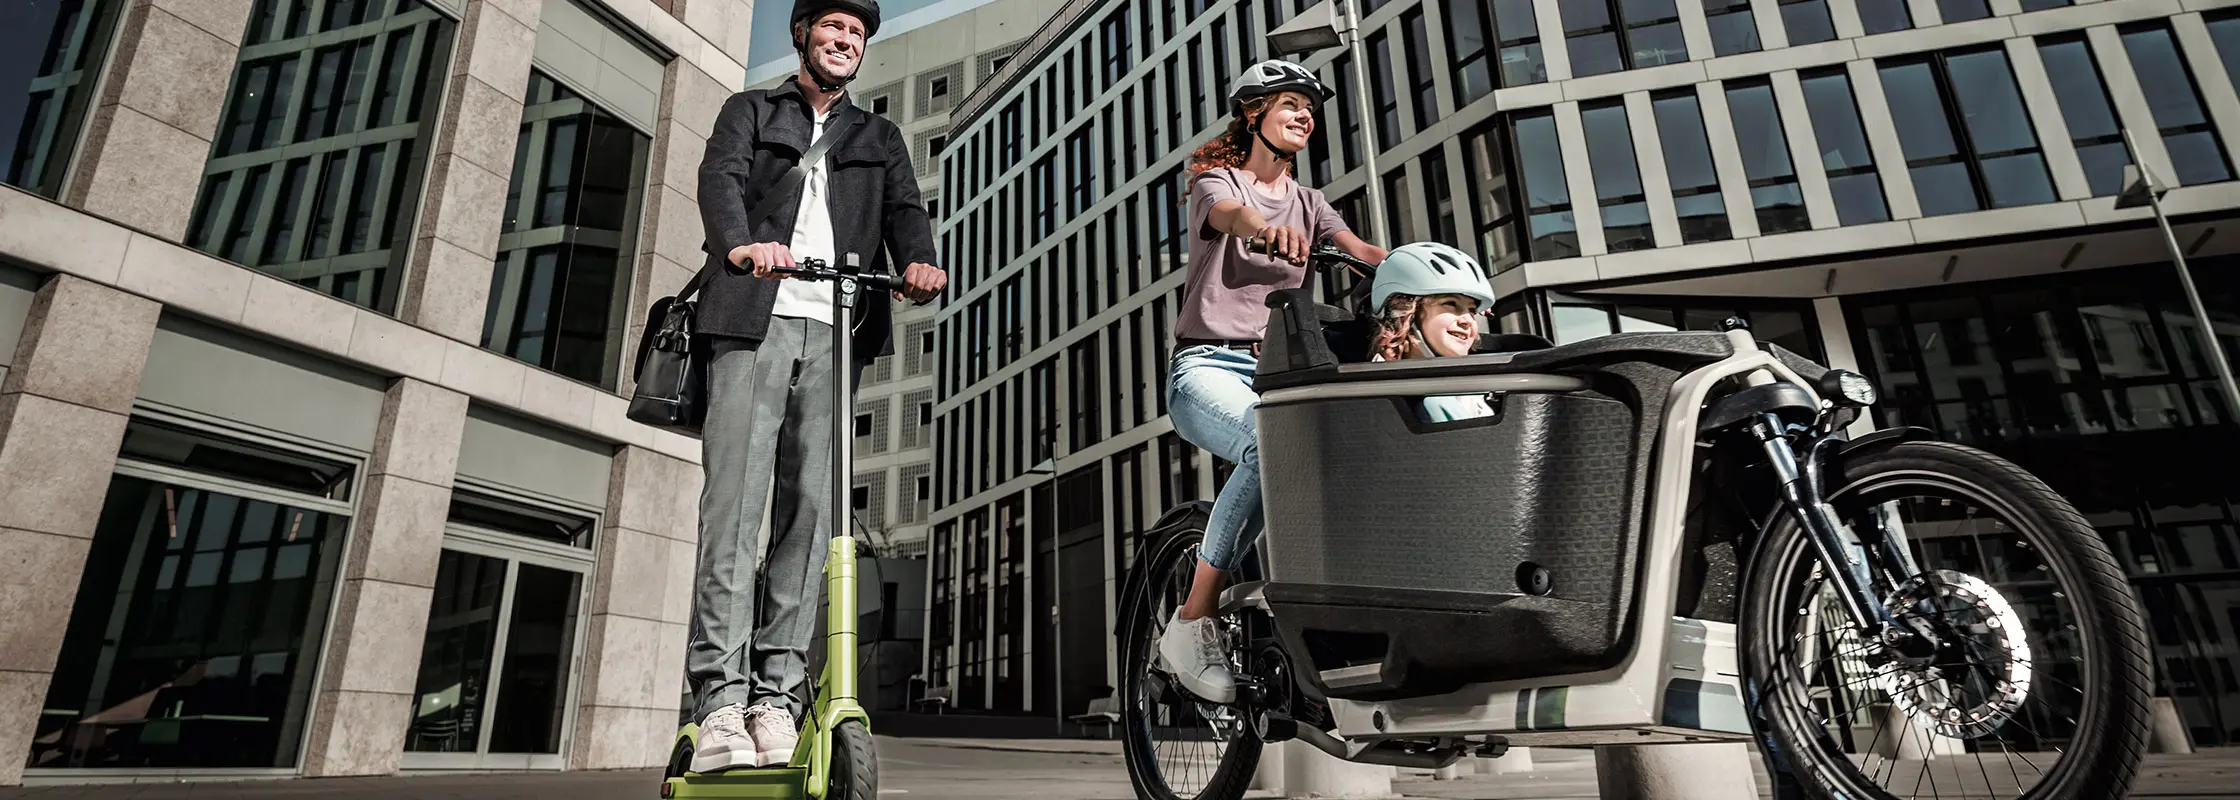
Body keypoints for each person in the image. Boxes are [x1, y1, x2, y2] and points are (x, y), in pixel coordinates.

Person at [687, 0, 946, 773]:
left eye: (858, 35)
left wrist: (920, 262)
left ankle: (778, 694)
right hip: (748, 322)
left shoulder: (879, 137)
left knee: (811, 518)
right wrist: (739, 249)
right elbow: (720, 181)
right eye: (833, 29)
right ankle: (720, 702)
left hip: (837, 332)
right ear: (803, 35)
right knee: (734, 507)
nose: (845, 43)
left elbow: (906, 213)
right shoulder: (751, 110)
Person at [1157, 59, 1388, 705]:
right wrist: (1267, 229)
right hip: (1207, 367)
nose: (1304, 116)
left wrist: (1412, 265)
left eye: (1310, 109)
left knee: (1346, 463)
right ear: (1254, 113)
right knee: (1270, 444)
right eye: (1291, 104)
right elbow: (1231, 216)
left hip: (1281, 373)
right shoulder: (1215, 180)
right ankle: (1191, 621)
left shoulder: (1312, 203)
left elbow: (1362, 251)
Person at [1363, 242, 1500, 423]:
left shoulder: (1477, 393)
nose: (1467, 321)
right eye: (1450, 304)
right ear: (1406, 314)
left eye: (1472, 311)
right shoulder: (1376, 392)